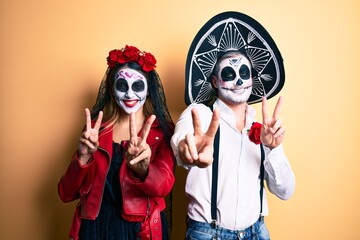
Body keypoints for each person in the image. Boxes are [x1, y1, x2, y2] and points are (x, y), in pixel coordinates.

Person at [171, 12, 295, 239]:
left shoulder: (263, 129)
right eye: (229, 74)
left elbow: (285, 191)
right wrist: (188, 151)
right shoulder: (198, 115)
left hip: (256, 232)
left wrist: (274, 149)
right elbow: (181, 142)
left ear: (251, 80)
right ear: (215, 81)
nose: (238, 81)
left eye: (243, 73)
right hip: (209, 233)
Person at [58, 45, 175, 240]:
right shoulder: (95, 131)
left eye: (137, 86)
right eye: (122, 86)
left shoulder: (162, 132)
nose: (129, 94)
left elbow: (163, 187)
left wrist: (144, 170)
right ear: (112, 90)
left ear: (148, 90)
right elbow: (66, 193)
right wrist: (82, 158)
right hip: (95, 228)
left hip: (141, 231)